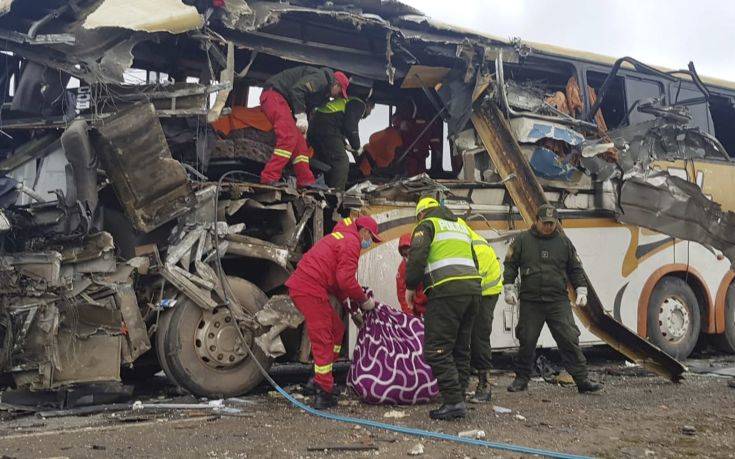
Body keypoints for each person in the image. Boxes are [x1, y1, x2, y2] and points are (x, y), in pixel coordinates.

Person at [285, 216, 382, 409]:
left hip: (307, 286)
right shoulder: (351, 242)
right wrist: (364, 301)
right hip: (308, 288)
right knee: (324, 337)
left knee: (337, 329)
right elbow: (345, 280)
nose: (369, 242)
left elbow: (339, 284)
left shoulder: (342, 238)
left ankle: (321, 377)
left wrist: (350, 308)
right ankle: (324, 392)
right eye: (371, 237)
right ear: (364, 231)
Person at [503, 204, 601, 394]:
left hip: (558, 301)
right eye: (545, 223)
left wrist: (581, 290)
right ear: (537, 221)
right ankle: (521, 379)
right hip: (531, 301)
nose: (548, 226)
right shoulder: (522, 240)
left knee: (569, 338)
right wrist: (509, 288)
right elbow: (510, 265)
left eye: (552, 223)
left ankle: (582, 380)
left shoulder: (564, 243)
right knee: (527, 341)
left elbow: (575, 268)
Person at [404, 197, 482, 420]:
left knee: (437, 349)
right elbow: (474, 258)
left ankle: (453, 401)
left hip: (446, 291)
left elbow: (417, 256)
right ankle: (460, 394)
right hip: (473, 290)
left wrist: (411, 286)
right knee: (460, 346)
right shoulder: (460, 225)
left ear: (421, 214)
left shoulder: (427, 225)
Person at [259, 66, 350, 189]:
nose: (337, 97)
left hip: (282, 101)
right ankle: (269, 177)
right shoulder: (321, 79)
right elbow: (297, 90)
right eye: (339, 93)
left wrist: (303, 127)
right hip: (273, 95)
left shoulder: (322, 94)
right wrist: (301, 117)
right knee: (288, 137)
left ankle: (306, 181)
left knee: (301, 144)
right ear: (336, 84)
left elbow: (306, 105)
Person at [465, 224, 503, 403]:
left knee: (478, 335)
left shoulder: (470, 245)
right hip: (471, 287)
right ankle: (461, 383)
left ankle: (484, 384)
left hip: (486, 290)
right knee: (463, 334)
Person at [308, 93, 374, 190]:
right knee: (341, 161)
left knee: (326, 161)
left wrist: (345, 144)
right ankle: (337, 194)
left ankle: (322, 188)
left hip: (316, 128)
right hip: (326, 128)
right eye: (371, 109)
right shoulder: (359, 104)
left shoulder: (348, 101)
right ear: (368, 105)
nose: (370, 113)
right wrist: (357, 147)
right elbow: (351, 127)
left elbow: (338, 123)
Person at [396, 233, 427, 317]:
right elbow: (401, 293)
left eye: (408, 249)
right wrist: (409, 314)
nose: (407, 255)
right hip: (417, 309)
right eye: (404, 253)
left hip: (433, 306)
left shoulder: (427, 260)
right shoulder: (402, 268)